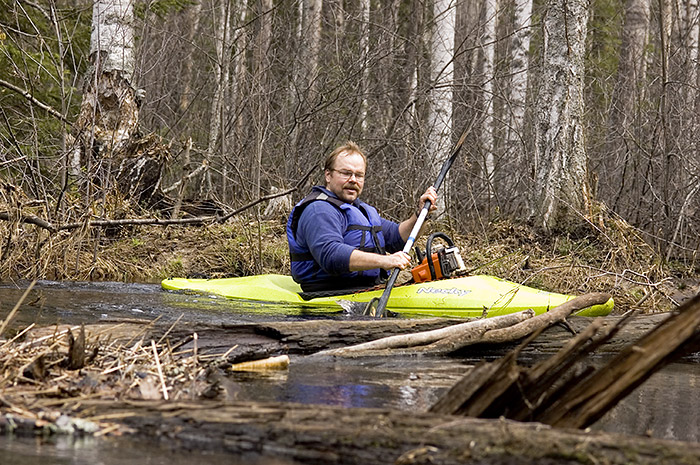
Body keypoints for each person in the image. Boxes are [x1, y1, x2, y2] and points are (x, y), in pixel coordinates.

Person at [286, 141, 438, 293]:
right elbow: (331, 255)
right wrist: (384, 260)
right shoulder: (319, 210)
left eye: (359, 175)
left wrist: (421, 214)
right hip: (327, 294)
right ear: (328, 175)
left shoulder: (362, 210)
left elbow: (397, 238)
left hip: (365, 290)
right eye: (346, 173)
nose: (353, 180)